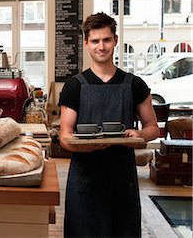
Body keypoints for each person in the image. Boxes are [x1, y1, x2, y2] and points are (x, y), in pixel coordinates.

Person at [58, 12, 159, 237]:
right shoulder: (74, 86)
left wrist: (139, 135)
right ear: (86, 43)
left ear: (115, 40)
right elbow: (65, 136)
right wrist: (85, 146)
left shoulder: (135, 85)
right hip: (85, 182)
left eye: (106, 40)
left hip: (122, 181)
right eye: (95, 41)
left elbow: (153, 127)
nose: (101, 46)